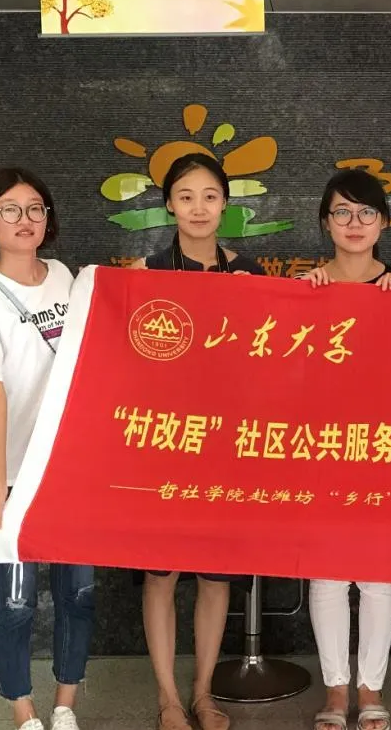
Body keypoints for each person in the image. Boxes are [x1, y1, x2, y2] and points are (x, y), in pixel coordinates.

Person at [129, 153, 262, 730]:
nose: (199, 208)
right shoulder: (145, 272)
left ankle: (204, 693)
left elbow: (270, 359)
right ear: (169, 205)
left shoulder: (250, 274)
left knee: (214, 573)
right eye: (186, 197)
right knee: (160, 574)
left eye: (210, 196)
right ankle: (168, 698)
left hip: (226, 445)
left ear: (225, 204)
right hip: (165, 443)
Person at [0, 168, 94, 730]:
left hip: (72, 472)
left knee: (78, 594)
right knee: (16, 601)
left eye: (36, 208)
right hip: (13, 475)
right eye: (10, 210)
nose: (25, 220)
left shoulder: (64, 276)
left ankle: (65, 705)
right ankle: (24, 711)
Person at [299, 168, 391, 730]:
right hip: (321, 446)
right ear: (326, 222)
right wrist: (300, 301)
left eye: (366, 212)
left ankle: (371, 687)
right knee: (326, 572)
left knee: (377, 572)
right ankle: (335, 691)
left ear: (383, 223)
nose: (354, 222)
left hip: (384, 446)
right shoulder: (305, 288)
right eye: (342, 212)